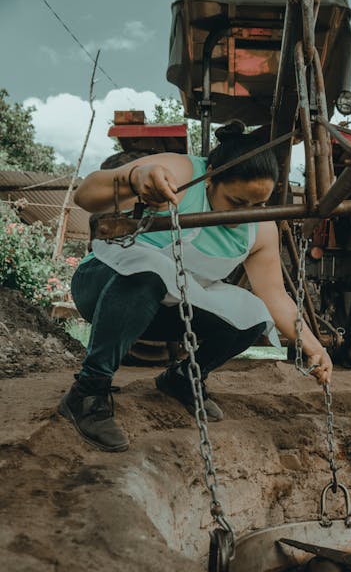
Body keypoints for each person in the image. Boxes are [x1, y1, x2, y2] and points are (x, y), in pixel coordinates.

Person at [59, 121, 333, 452]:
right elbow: (85, 194)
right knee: (152, 271)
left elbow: (275, 296)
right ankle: (88, 392)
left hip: (163, 309)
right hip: (103, 287)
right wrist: (135, 178)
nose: (246, 215)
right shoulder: (182, 173)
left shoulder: (261, 229)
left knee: (254, 314)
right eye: (235, 202)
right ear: (212, 176)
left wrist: (315, 346)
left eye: (257, 205)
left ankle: (184, 378)